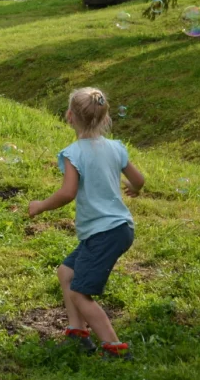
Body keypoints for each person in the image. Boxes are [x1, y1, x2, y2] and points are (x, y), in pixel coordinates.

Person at [29, 87, 145, 359]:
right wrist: (134, 188)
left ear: (69, 116)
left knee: (81, 293)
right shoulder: (116, 148)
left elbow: (68, 193)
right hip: (117, 229)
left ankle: (114, 348)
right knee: (66, 274)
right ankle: (78, 334)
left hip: (104, 233)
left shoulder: (73, 153)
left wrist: (40, 205)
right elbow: (139, 180)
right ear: (105, 118)